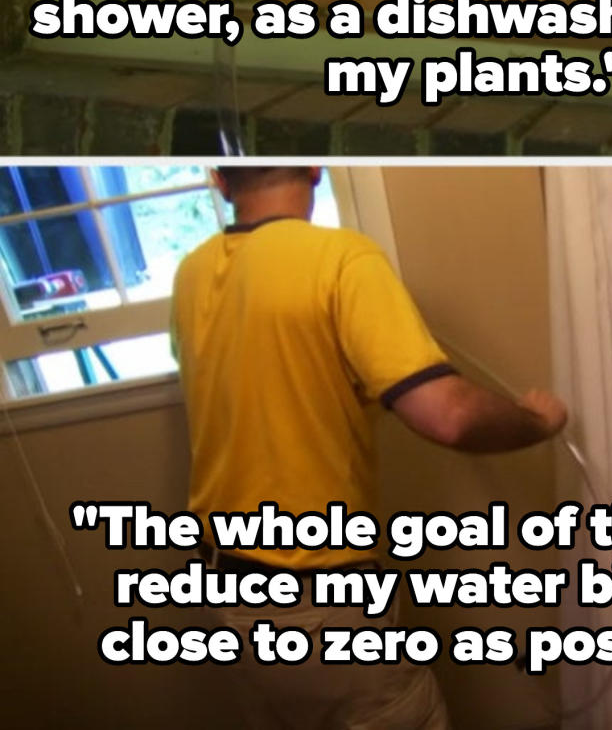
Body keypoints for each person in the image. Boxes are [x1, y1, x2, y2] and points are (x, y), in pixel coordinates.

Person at [171, 164, 567, 729]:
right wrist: (536, 422)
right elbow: (449, 417)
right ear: (314, 165)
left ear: (220, 180)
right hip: (314, 599)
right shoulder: (341, 260)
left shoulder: (191, 274)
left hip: (224, 592)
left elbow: (256, 379)